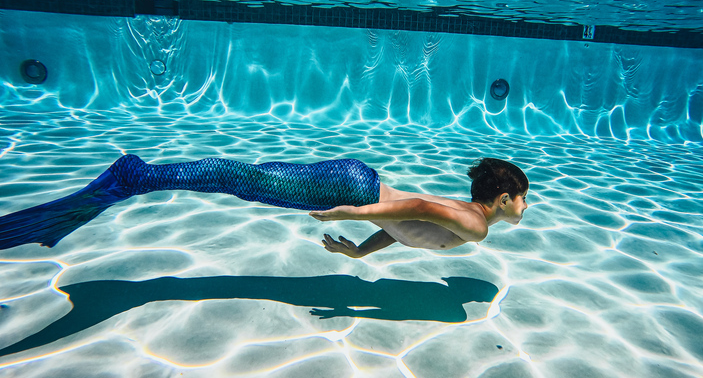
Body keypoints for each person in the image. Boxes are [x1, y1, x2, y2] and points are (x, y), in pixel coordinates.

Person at [0, 155, 529, 256]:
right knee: (248, 182)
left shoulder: (467, 216)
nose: (526, 208)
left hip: (357, 184)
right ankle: (137, 177)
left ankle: (141, 177)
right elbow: (411, 205)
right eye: (523, 199)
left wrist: (360, 253)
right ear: (503, 198)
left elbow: (408, 224)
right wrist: (350, 213)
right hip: (355, 191)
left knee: (252, 181)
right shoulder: (476, 227)